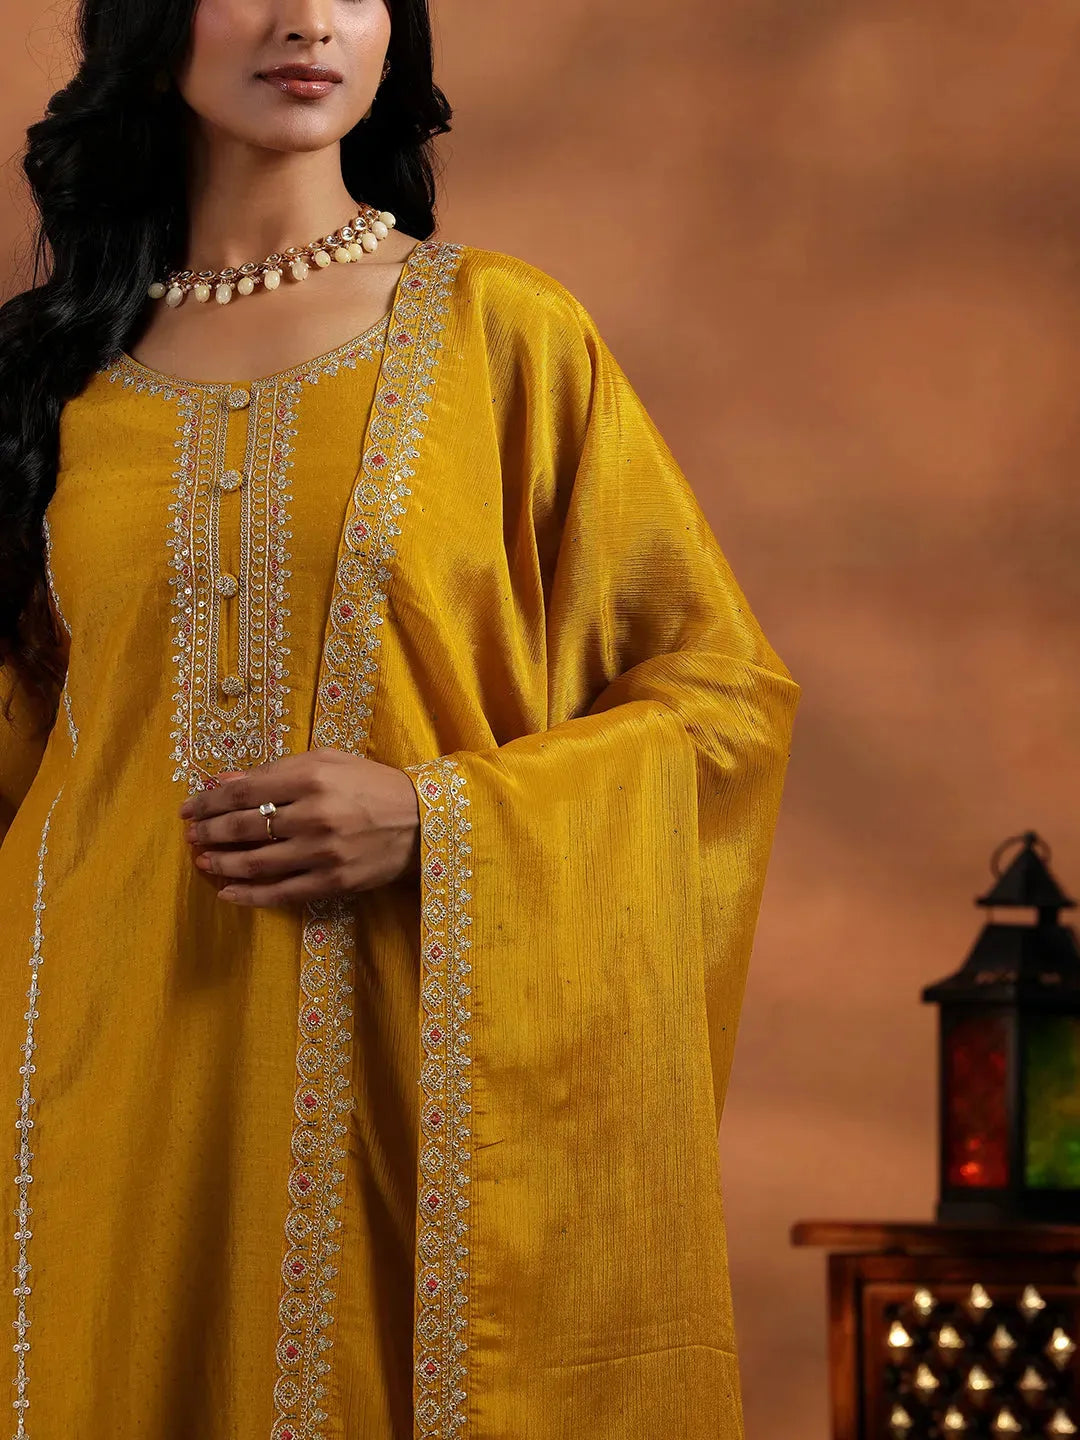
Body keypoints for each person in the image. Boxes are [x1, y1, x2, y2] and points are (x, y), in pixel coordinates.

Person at [0, 1, 800, 1436]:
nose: (308, 19)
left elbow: (720, 701)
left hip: (402, 1068)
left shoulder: (504, 336)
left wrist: (435, 817)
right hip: (85, 1068)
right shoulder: (46, 374)